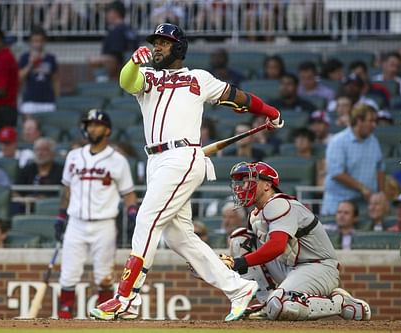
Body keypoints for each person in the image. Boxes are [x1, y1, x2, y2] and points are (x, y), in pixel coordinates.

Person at [90, 23, 283, 322]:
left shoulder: (199, 78)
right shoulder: (148, 78)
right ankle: (240, 289)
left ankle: (125, 298)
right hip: (156, 160)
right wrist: (132, 62)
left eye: (164, 43)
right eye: (156, 42)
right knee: (180, 238)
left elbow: (238, 98)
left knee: (147, 219)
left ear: (178, 48)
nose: (157, 47)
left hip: (182, 156)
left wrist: (270, 112)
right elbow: (127, 82)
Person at [223, 161, 370, 321]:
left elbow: (277, 246)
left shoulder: (279, 204)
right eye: (243, 182)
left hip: (319, 267)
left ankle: (340, 303)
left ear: (267, 185)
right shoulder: (256, 214)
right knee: (240, 238)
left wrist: (237, 263)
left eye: (249, 181)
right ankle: (267, 303)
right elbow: (251, 249)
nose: (244, 187)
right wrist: (216, 267)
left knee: (280, 305)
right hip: (290, 266)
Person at [55, 109, 138, 319]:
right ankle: (62, 321)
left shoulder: (118, 160)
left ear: (107, 130)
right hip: (76, 223)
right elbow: (67, 190)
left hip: (105, 224)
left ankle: (103, 319)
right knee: (68, 275)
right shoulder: (74, 157)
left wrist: (132, 214)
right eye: (89, 124)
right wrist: (61, 216)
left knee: (104, 277)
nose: (92, 128)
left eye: (97, 124)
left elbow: (128, 193)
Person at [321, 104, 385, 216]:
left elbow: (380, 168)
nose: (374, 125)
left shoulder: (374, 141)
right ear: (359, 121)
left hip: (364, 205)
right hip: (338, 205)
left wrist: (380, 192)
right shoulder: (338, 141)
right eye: (371, 121)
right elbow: (336, 173)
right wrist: (363, 188)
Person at [88, 1, 138, 82]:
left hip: (122, 67)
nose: (106, 15)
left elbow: (117, 56)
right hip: (132, 68)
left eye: (108, 12)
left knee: (93, 59)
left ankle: (105, 82)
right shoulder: (129, 29)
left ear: (114, 13)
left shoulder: (117, 30)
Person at [18, 26, 60, 115]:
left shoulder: (50, 58)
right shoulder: (24, 57)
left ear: (44, 41)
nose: (38, 44)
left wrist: (57, 98)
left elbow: (55, 80)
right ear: (30, 42)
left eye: (41, 41)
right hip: (30, 100)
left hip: (48, 101)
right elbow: (19, 78)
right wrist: (30, 65)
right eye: (35, 41)